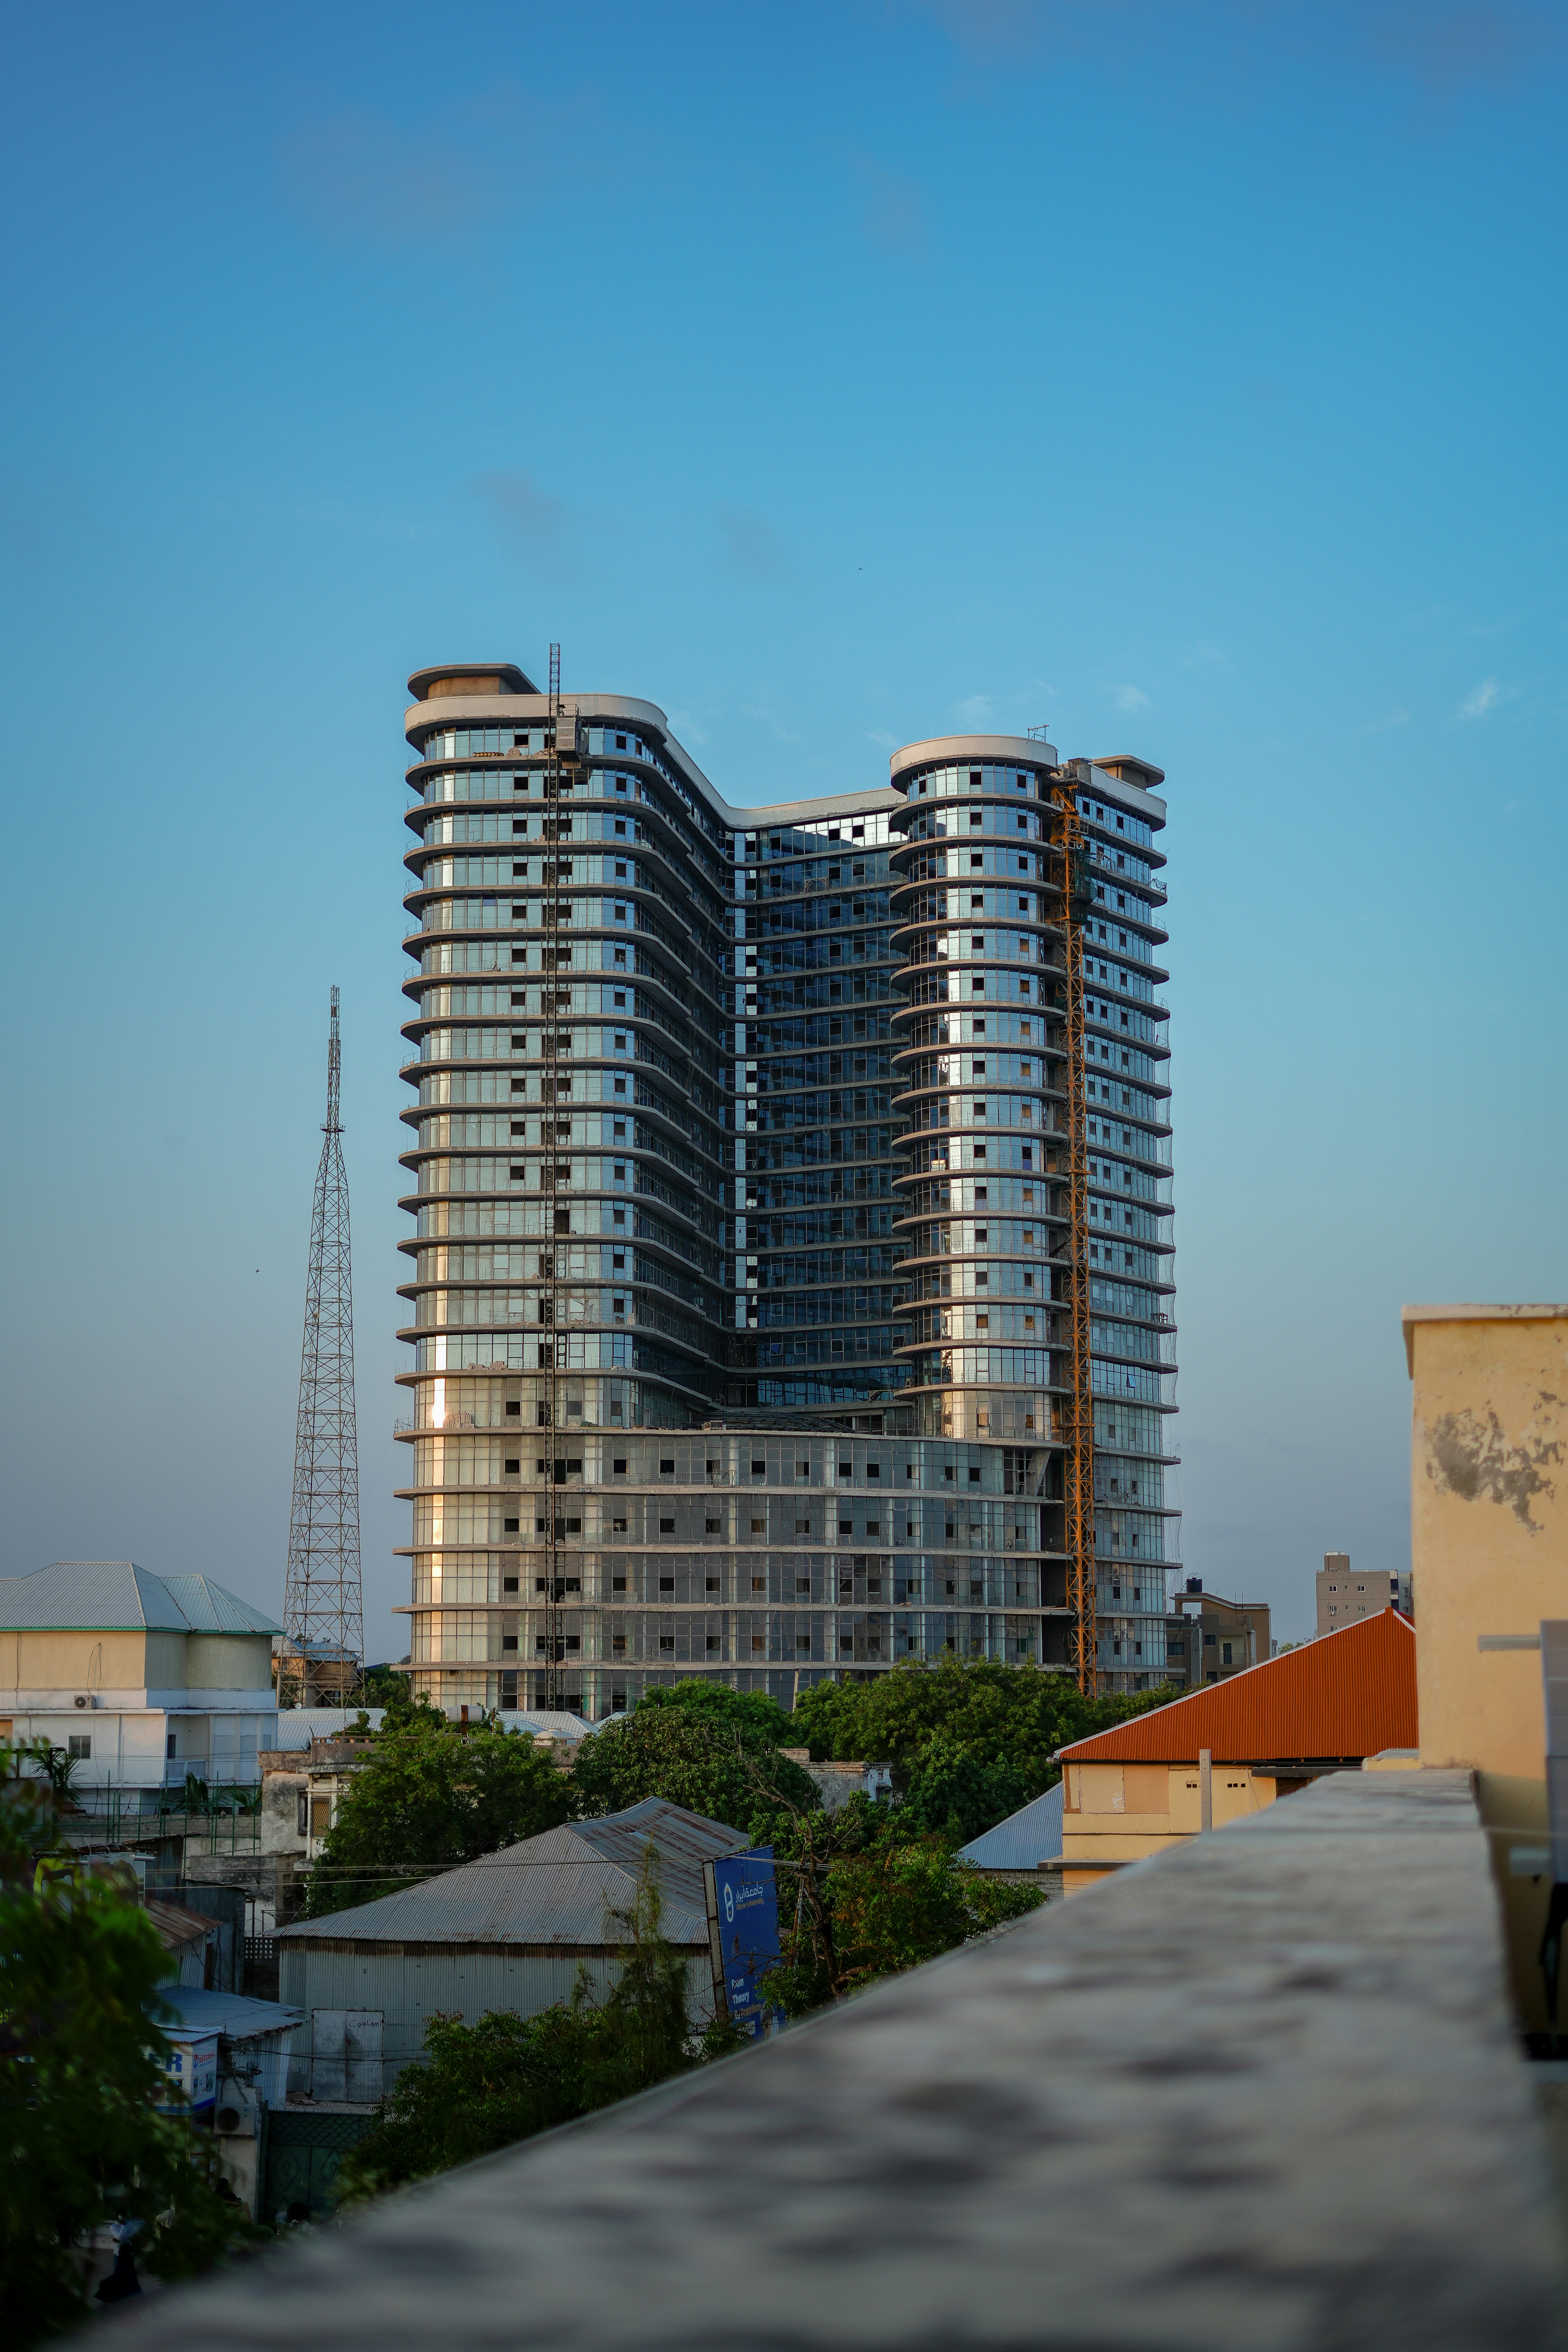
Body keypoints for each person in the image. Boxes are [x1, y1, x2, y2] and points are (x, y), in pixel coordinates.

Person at [94, 2218, 141, 2302]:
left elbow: (133, 2236)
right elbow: (120, 2238)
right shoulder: (114, 2227)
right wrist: (124, 2228)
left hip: (128, 2254)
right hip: (119, 2254)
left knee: (128, 2275)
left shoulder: (129, 2224)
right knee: (118, 2274)